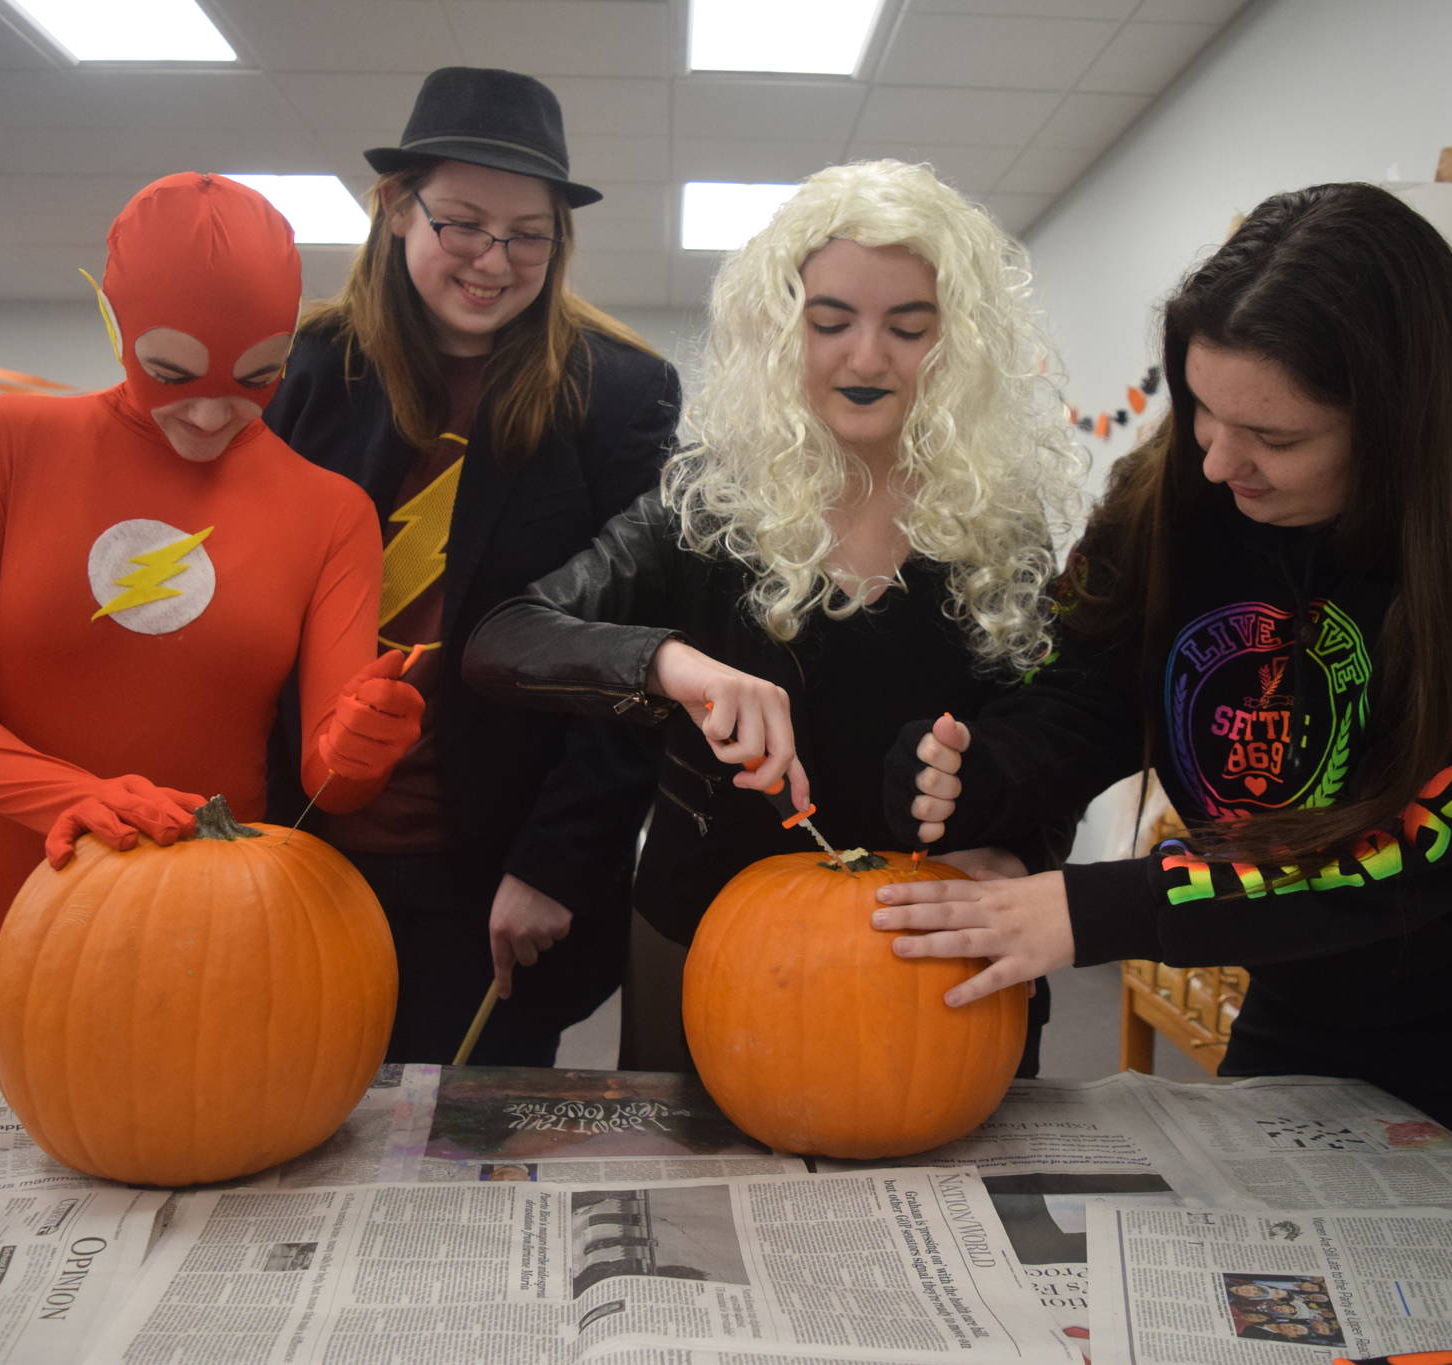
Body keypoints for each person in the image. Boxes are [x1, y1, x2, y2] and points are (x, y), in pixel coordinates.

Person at [874, 182, 1452, 1244]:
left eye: (1271, 434)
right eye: (1201, 412)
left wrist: (1089, 909)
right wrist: (982, 774)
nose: (1221, 462)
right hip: (1315, 992)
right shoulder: (1183, 487)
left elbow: (1407, 848)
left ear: (1398, 420)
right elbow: (1090, 687)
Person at [462, 159, 1085, 1071]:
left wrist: (1022, 848)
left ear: (958, 343)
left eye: (908, 328)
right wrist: (674, 665)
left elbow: (1059, 728)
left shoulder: (1001, 525)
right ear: (780, 326)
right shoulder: (709, 506)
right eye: (830, 322)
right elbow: (503, 637)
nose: (865, 357)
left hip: (934, 951)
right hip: (713, 936)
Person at [0, 172, 423, 1035]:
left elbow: (327, 784)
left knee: (193, 1110)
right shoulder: (1, 446)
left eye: (259, 377)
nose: (214, 412)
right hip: (2, 892)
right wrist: (72, 796)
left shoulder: (331, 512)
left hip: (202, 918)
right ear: (114, 324)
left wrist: (363, 746)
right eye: (170, 372)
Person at [262, 67, 682, 1066]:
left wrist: (557, 862)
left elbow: (632, 662)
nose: (494, 259)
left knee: (464, 1157)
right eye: (461, 223)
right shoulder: (306, 369)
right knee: (288, 1113)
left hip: (494, 859)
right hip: (301, 846)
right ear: (397, 210)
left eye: (527, 233)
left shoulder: (620, 395)